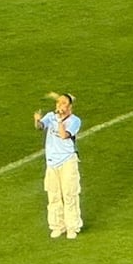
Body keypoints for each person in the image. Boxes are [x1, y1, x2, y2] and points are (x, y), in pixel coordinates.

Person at [34, 92, 83, 239]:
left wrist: (60, 120)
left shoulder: (75, 121)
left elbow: (63, 135)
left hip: (67, 160)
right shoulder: (50, 116)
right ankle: (57, 226)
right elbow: (40, 127)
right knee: (53, 195)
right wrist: (37, 120)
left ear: (70, 107)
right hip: (52, 162)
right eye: (58, 103)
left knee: (69, 194)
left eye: (63, 103)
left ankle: (72, 227)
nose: (60, 105)